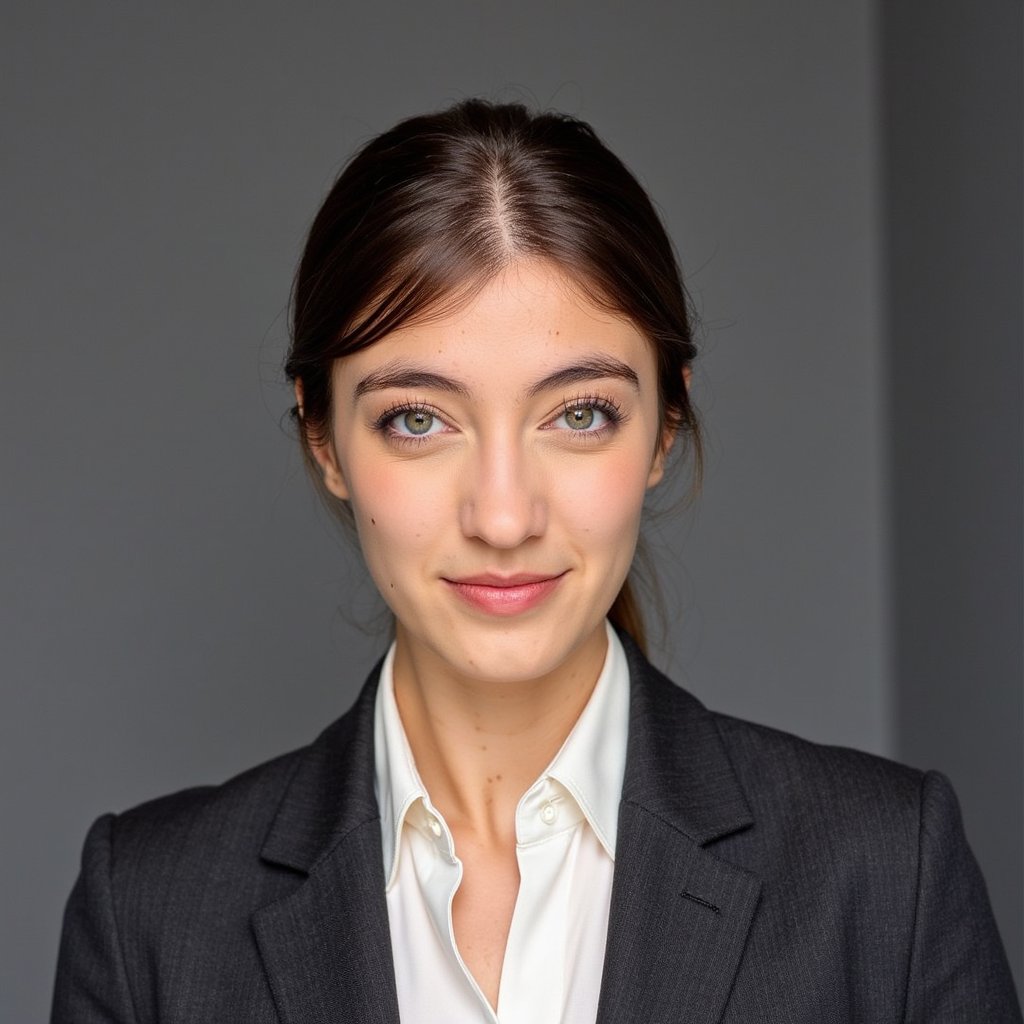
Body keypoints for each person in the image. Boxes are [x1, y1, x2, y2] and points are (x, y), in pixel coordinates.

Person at [52, 99, 1020, 1024]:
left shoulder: (886, 873)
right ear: (323, 439)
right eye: (417, 420)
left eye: (579, 413)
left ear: (664, 425)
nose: (504, 516)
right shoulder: (148, 912)